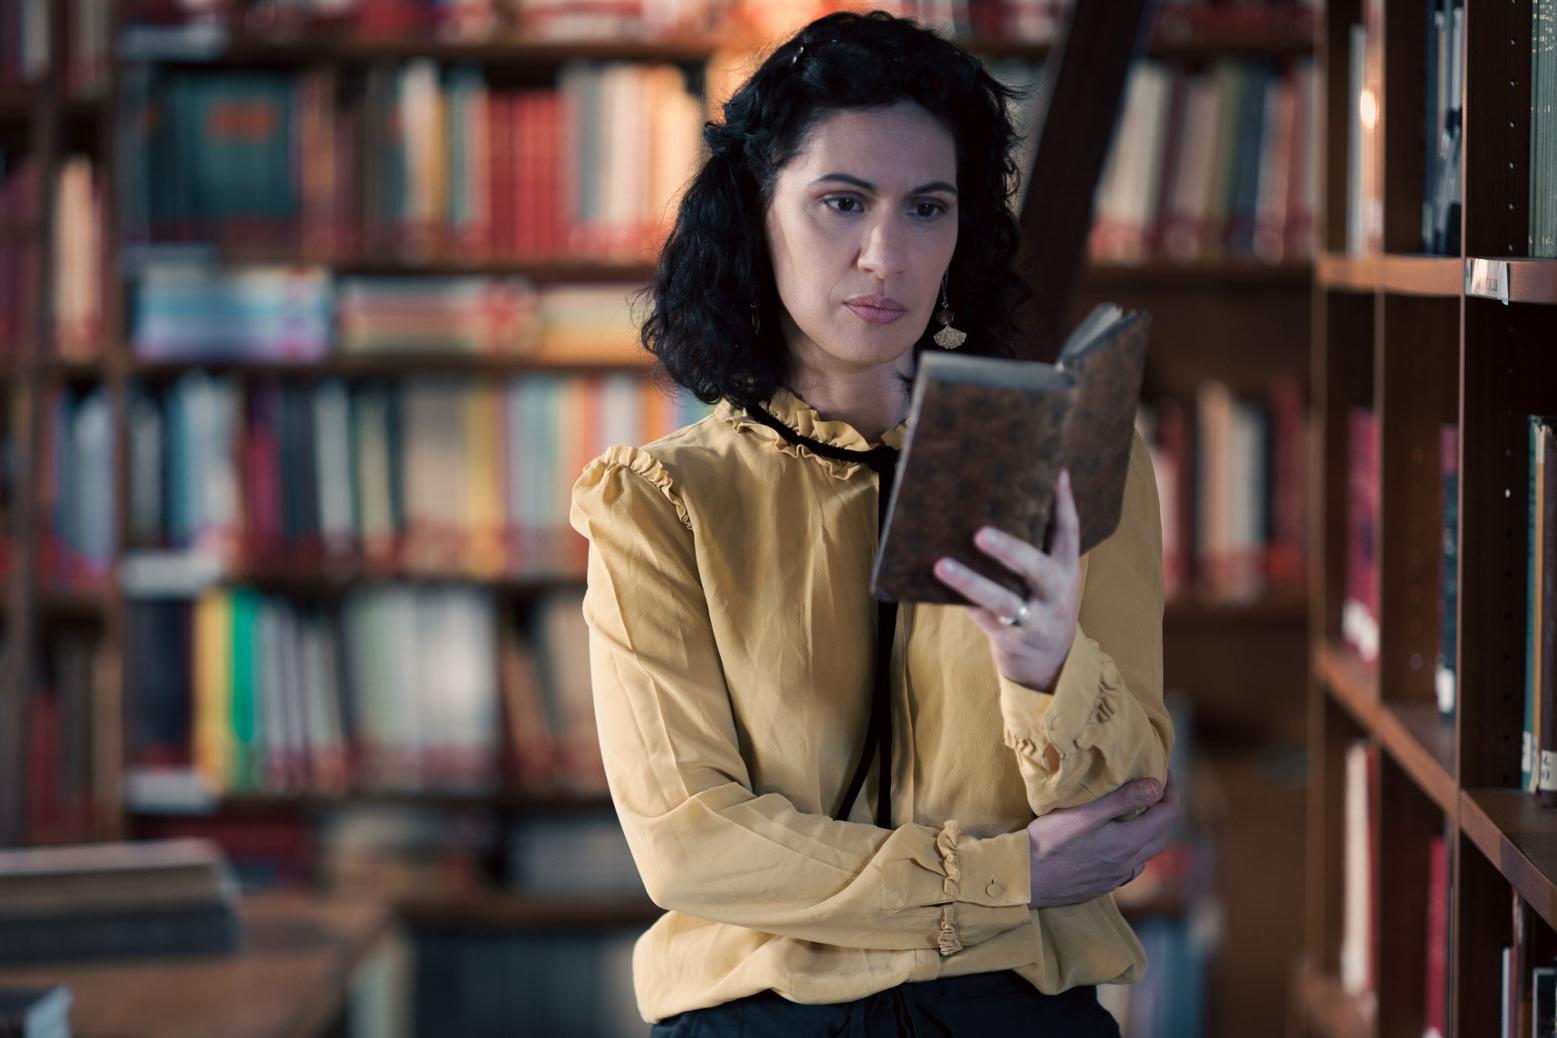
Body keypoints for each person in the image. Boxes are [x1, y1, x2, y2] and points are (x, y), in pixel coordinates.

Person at [568, 10, 1178, 1035]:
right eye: (840, 203)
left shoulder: (1063, 459)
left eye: (928, 208)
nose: (886, 256)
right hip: (762, 1016)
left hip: (1013, 1015)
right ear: (757, 214)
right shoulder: (660, 503)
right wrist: (1003, 875)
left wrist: (1044, 670)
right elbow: (691, 846)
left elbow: (1127, 813)